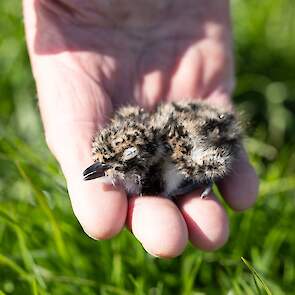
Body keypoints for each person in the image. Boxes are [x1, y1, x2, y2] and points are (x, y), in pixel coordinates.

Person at [23, 0, 258, 258]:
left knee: (197, 168)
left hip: (198, 134)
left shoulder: (183, 157)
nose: (101, 167)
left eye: (114, 162)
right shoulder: (145, 138)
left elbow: (208, 146)